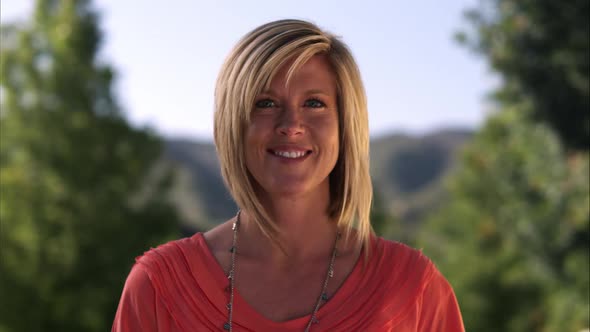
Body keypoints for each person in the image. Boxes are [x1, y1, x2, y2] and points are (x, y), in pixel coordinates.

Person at [112, 19, 465, 332]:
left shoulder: (412, 289)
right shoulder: (158, 286)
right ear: (233, 124)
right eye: (265, 103)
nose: (291, 126)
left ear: (345, 126)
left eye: (314, 103)